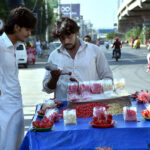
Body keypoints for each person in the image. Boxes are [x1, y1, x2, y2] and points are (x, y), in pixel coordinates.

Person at [43, 17, 113, 101]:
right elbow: (47, 89)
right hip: (64, 109)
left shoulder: (94, 51)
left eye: (69, 36)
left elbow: (108, 80)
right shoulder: (54, 56)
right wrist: (54, 79)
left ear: (76, 32)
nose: (66, 41)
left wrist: (86, 88)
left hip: (90, 105)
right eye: (62, 38)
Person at [0, 7, 36, 150]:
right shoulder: (1, 45)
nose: (29, 33)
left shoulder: (13, 47)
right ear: (16, 27)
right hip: (3, 112)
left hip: (16, 108)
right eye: (27, 29)